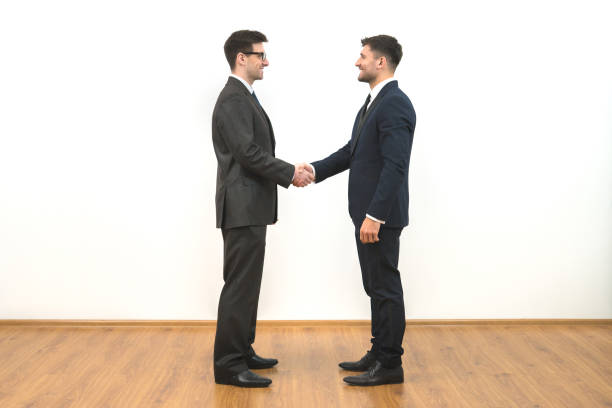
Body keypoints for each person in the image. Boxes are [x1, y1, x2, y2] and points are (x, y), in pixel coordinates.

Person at [301, 35, 416, 386]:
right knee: (374, 286)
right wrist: (315, 170)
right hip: (367, 215)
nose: (357, 62)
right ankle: (379, 351)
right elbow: (354, 152)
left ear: (381, 62)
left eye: (363, 56)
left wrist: (376, 216)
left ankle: (390, 364)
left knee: (385, 287)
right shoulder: (373, 104)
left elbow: (396, 165)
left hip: (378, 218)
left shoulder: (394, 103)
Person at [211, 29, 313, 388]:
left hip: (249, 207)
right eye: (260, 55)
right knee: (240, 286)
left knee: (248, 284)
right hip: (242, 208)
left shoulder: (244, 97)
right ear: (242, 57)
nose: (265, 61)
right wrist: (290, 173)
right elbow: (248, 154)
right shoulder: (234, 100)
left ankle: (242, 350)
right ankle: (228, 365)